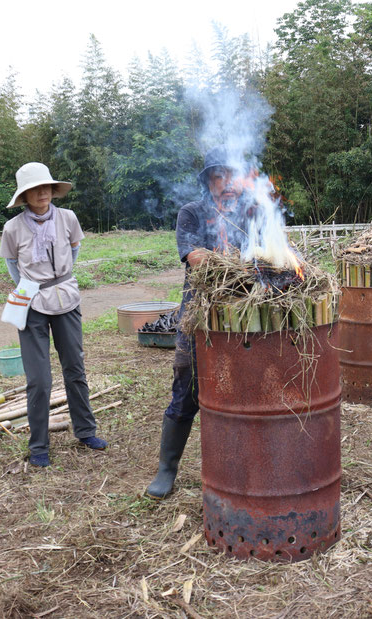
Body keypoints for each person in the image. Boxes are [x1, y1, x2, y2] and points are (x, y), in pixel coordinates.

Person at [145, 148, 248, 498]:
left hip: (246, 313)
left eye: (232, 176)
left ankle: (241, 466)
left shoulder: (250, 213)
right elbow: (197, 260)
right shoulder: (191, 213)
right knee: (187, 387)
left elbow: (271, 257)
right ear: (208, 182)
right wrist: (240, 262)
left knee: (243, 389)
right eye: (219, 177)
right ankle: (166, 470)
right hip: (199, 314)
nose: (228, 184)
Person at [0, 163, 106, 468]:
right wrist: (29, 286)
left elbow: (74, 249)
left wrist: (60, 277)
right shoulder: (13, 228)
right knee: (39, 379)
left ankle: (86, 432)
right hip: (30, 301)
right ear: (24, 195)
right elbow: (11, 264)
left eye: (46, 186)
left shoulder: (68, 218)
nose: (42, 192)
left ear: (52, 189)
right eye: (34, 189)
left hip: (66, 296)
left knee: (75, 367)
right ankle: (39, 446)